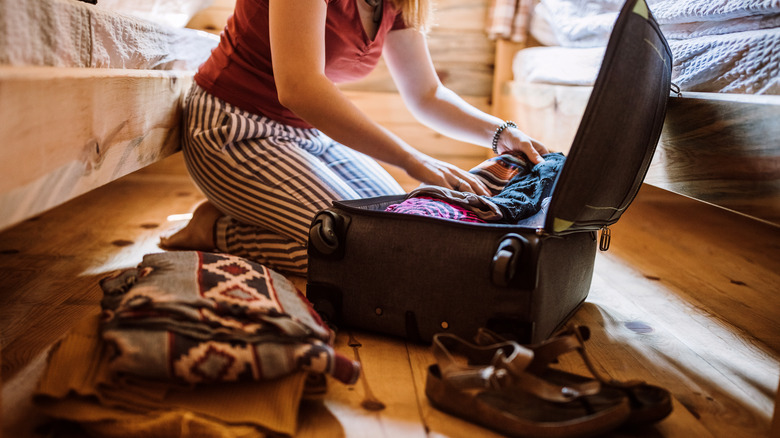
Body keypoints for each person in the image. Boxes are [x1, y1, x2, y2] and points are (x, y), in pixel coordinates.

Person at [161, 0, 549, 276]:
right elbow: (299, 88)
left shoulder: (397, 3)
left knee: (398, 233)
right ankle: (216, 230)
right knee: (364, 255)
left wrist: (500, 132)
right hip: (232, 127)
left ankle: (245, 214)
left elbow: (427, 93)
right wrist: (414, 160)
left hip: (307, 134)